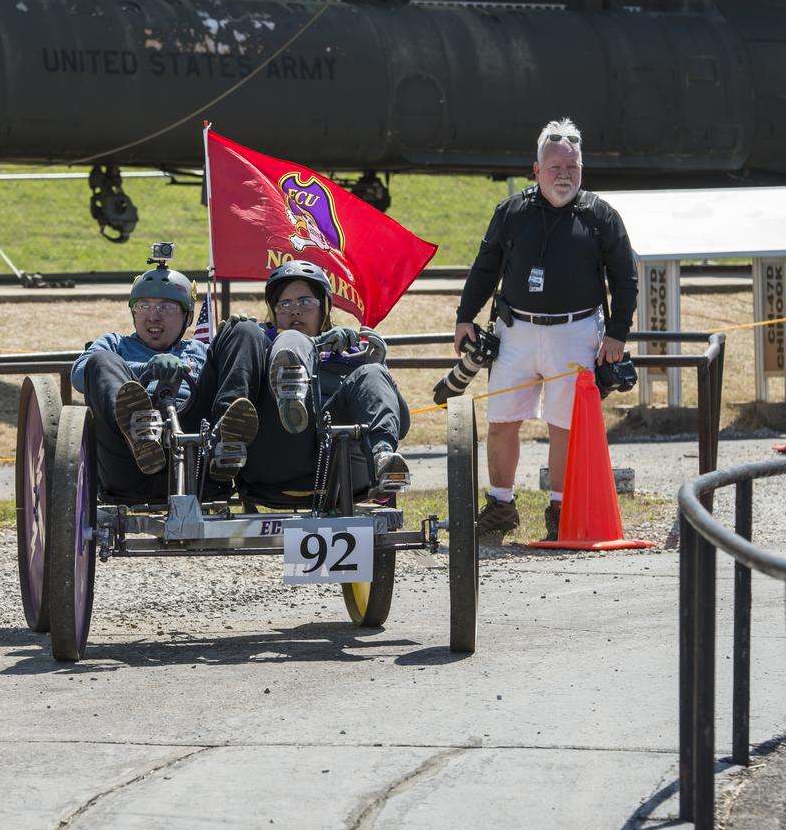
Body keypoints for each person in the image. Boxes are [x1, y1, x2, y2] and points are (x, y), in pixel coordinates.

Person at [452, 118, 637, 541]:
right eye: (554, 168)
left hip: (576, 332)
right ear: (536, 170)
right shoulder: (512, 212)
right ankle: (500, 505)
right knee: (501, 421)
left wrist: (618, 335)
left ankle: (560, 508)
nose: (564, 176)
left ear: (582, 169)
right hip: (516, 331)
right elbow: (485, 268)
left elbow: (625, 278)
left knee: (565, 426)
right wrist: (466, 316)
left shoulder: (601, 216)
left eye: (572, 168)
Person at [200, 260, 410, 500]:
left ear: (325, 308)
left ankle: (382, 456)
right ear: (273, 310)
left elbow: (402, 426)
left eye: (305, 302)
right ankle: (287, 393)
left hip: (341, 465)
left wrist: (380, 367)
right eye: (284, 303)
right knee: (292, 338)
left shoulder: (355, 354)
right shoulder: (259, 345)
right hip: (275, 457)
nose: (295, 310)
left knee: (372, 374)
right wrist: (313, 344)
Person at [71, 267, 258, 497]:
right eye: (144, 306)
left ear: (187, 317)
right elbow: (79, 374)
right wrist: (146, 369)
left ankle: (227, 438)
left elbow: (252, 368)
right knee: (100, 360)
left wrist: (255, 335)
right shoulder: (115, 345)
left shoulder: (201, 351)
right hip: (130, 462)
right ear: (133, 313)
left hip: (202, 460)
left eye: (166, 307)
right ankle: (141, 435)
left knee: (244, 330)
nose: (153, 315)